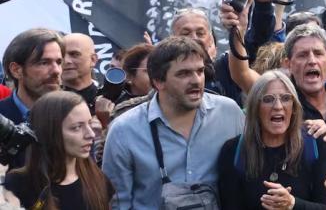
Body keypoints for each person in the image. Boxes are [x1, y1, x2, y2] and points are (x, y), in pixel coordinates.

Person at [102, 36, 245, 209]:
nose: (196, 80)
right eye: (184, 73)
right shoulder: (124, 130)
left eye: (200, 71)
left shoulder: (229, 113)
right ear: (158, 81)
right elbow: (117, 204)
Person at [223, 2, 326, 141]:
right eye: (302, 55)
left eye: (318, 53)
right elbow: (241, 73)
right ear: (288, 64)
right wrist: (238, 30)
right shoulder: (281, 99)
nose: (312, 60)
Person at [218, 70, 326, 209]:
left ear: (294, 107)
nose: (278, 106)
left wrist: (292, 204)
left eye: (285, 98)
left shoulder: (315, 142)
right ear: (255, 108)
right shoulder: (233, 151)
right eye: (268, 99)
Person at [2, 91, 114, 210]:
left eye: (89, 123)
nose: (90, 134)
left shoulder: (97, 178)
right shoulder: (18, 185)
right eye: (77, 127)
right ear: (49, 132)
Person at [0, 28, 63, 167]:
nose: (56, 71)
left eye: (59, 62)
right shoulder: (2, 117)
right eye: (44, 63)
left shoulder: (71, 116)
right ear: (16, 70)